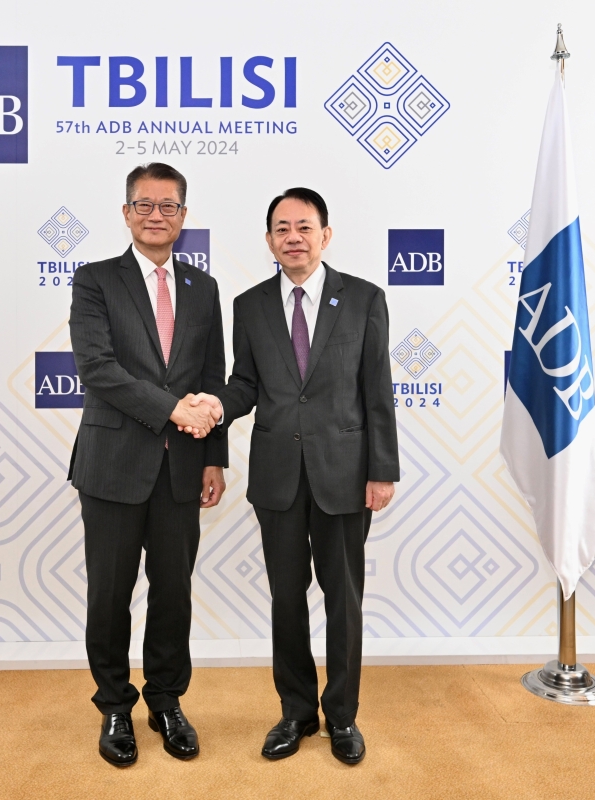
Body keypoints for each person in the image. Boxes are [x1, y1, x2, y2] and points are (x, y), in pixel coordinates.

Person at [187, 187, 399, 765]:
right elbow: (246, 385)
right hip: (278, 476)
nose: (293, 238)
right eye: (282, 229)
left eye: (304, 227)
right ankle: (296, 711)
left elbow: (377, 390)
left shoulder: (363, 299)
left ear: (325, 235)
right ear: (269, 240)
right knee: (286, 598)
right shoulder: (250, 305)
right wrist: (216, 406)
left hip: (345, 475)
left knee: (344, 599)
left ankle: (343, 716)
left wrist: (382, 470)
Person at [68, 162, 227, 767]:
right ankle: (114, 704)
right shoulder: (95, 280)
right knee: (109, 594)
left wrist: (213, 458)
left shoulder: (203, 288)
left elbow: (211, 376)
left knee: (174, 592)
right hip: (111, 464)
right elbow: (98, 369)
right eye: (144, 205)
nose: (156, 215)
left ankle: (166, 700)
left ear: (183, 216)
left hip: (183, 467)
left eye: (168, 206)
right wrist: (172, 409)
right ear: (127, 212)